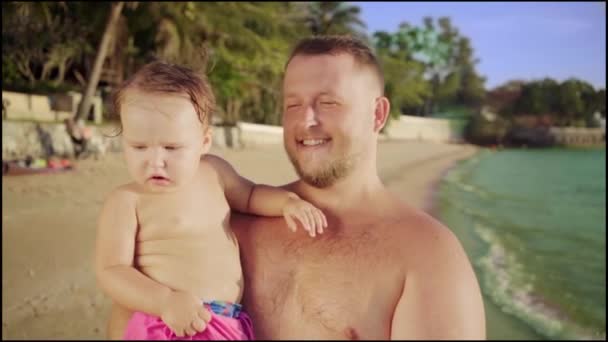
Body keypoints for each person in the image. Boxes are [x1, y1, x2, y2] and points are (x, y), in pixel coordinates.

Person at [107, 35, 486, 340]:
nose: (307, 120)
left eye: (328, 103)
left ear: (377, 114)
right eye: (293, 105)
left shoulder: (426, 253)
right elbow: (130, 322)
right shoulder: (222, 222)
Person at [95, 61, 327, 340]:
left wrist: (288, 202)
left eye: (172, 148)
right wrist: (164, 301)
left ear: (204, 141)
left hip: (226, 322)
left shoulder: (214, 172)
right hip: (166, 322)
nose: (156, 161)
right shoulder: (127, 200)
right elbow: (112, 270)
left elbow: (251, 195)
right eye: (139, 147)